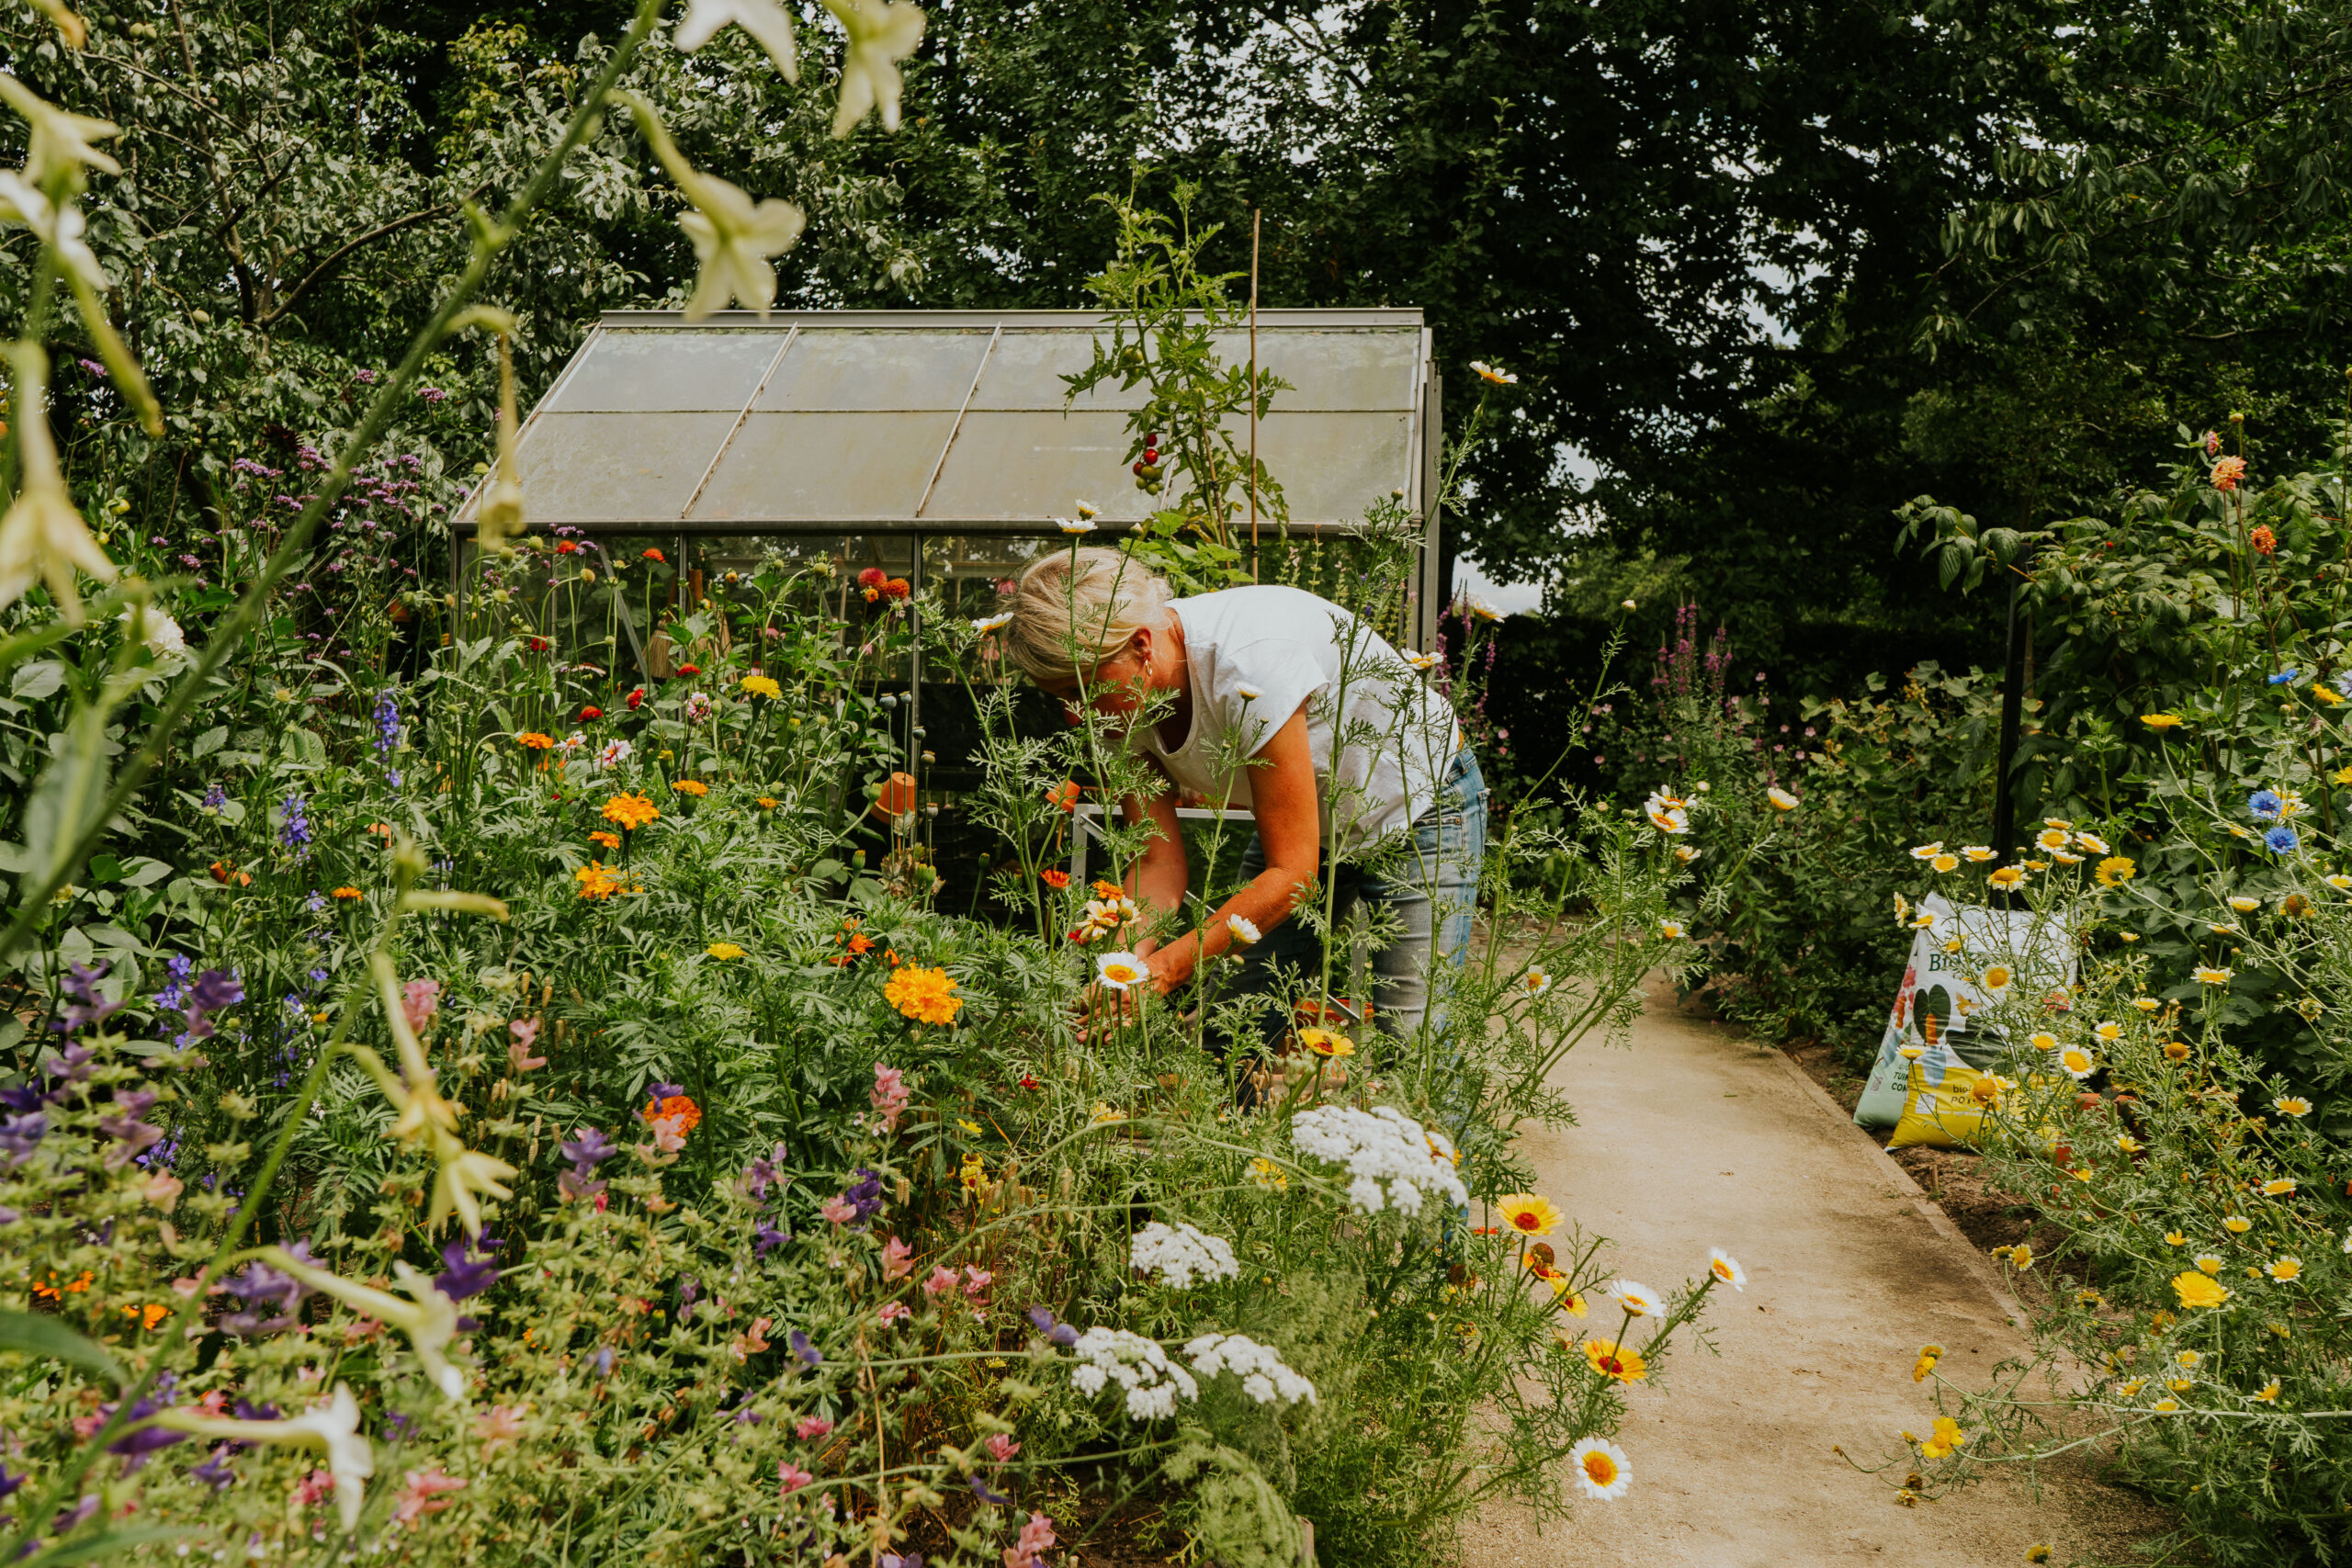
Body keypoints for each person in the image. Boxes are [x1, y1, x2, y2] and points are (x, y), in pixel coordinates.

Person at [1002, 545, 1485, 1066]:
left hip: (1419, 804)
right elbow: (1158, 864)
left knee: (1412, 1052)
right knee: (1232, 1037)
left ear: (1142, 646)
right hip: (1305, 831)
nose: (1076, 718)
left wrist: (1166, 969)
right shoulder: (1115, 705)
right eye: (1059, 698)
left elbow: (1292, 875)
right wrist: (1124, 961)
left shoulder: (1247, 664)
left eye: (1085, 690)